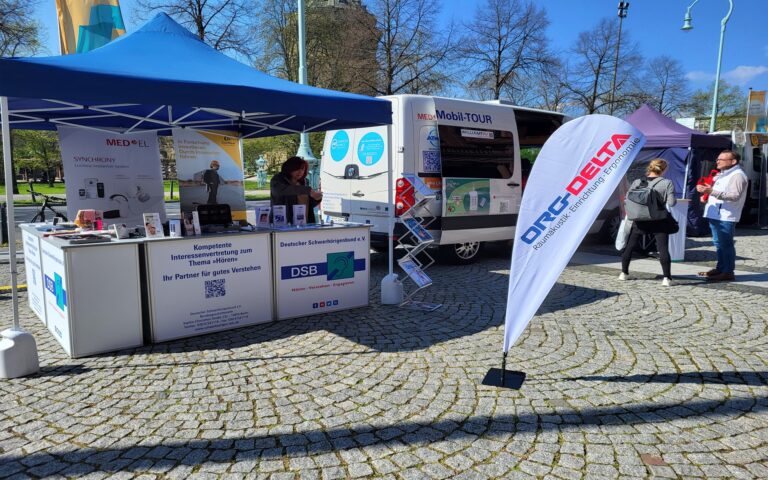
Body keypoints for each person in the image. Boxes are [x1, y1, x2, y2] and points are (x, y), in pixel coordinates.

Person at [619, 158, 677, 286]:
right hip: (658, 220)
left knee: (630, 246)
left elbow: (627, 199)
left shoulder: (637, 182)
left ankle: (624, 273)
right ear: (664, 169)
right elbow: (671, 203)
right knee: (663, 249)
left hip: (639, 219)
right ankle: (667, 279)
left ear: (650, 167)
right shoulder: (667, 183)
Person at [695, 150, 748, 282]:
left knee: (726, 244)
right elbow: (719, 192)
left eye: (721, 159)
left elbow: (734, 196)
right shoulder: (723, 174)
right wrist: (706, 193)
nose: (717, 161)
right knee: (719, 244)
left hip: (726, 215)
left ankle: (728, 271)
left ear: (733, 162)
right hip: (717, 214)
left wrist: (711, 191)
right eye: (718, 159)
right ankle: (721, 268)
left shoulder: (737, 175)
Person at [270, 156, 322, 224]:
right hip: (282, 223)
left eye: (302, 169)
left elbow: (308, 204)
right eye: (297, 169)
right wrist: (307, 190)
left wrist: (317, 198)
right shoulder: (278, 179)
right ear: (289, 168)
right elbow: (283, 191)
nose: (300, 172)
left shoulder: (304, 181)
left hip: (304, 223)